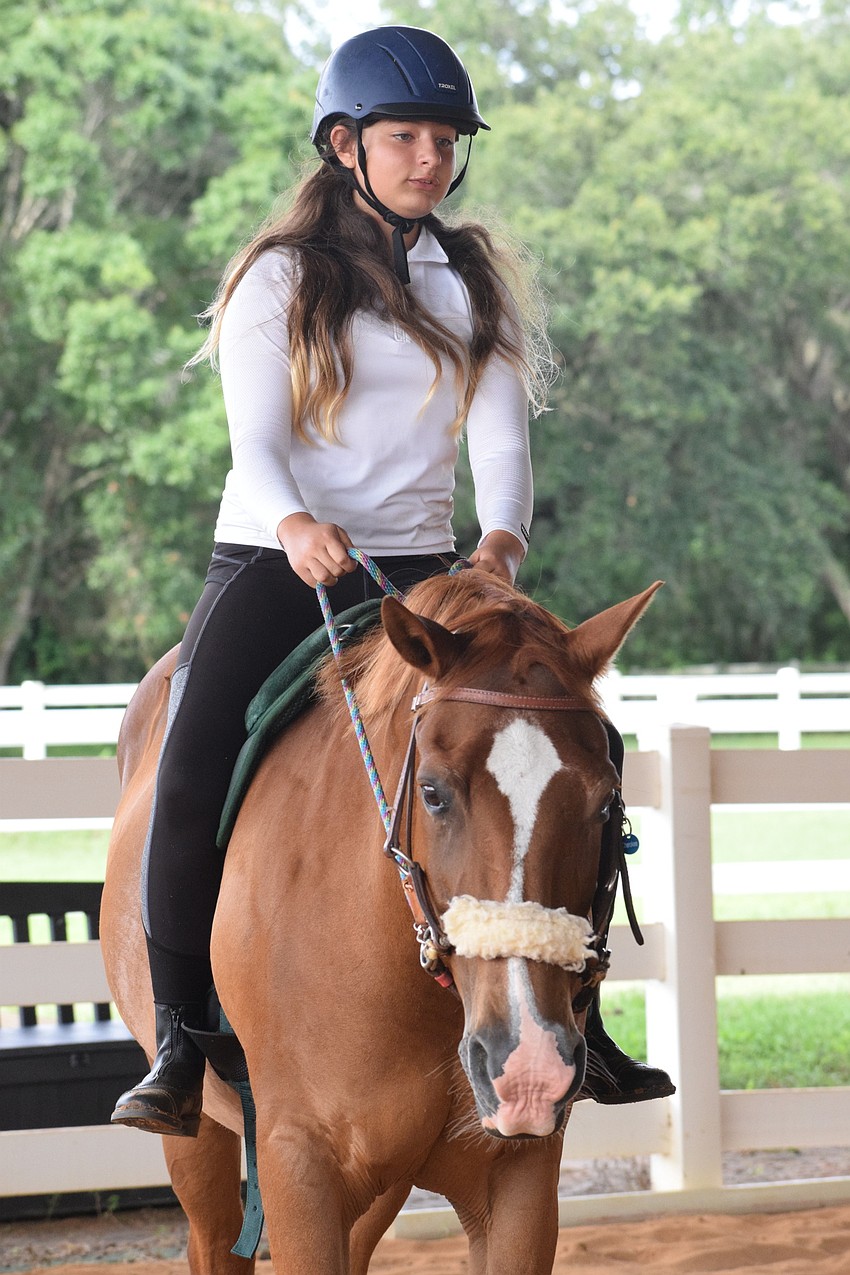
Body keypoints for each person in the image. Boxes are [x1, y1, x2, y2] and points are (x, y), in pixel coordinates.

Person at [111, 24, 673, 1139]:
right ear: (343, 144)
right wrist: (292, 521)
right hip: (280, 557)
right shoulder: (278, 278)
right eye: (405, 136)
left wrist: (501, 540)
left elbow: (502, 444)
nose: (430, 157)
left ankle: (582, 1017)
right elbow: (257, 439)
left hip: (428, 573)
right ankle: (182, 1039)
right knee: (187, 767)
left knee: (572, 753)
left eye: (445, 139)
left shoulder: (469, 282)